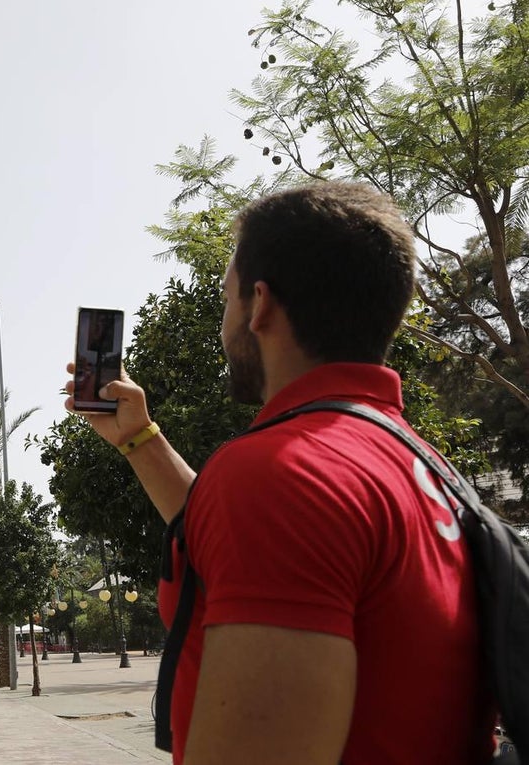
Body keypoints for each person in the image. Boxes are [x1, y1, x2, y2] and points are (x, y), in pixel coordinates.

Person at [65, 182, 497, 764]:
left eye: (226, 299)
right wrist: (141, 441)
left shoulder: (281, 478)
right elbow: (235, 541)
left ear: (259, 305)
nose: (225, 325)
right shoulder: (415, 463)